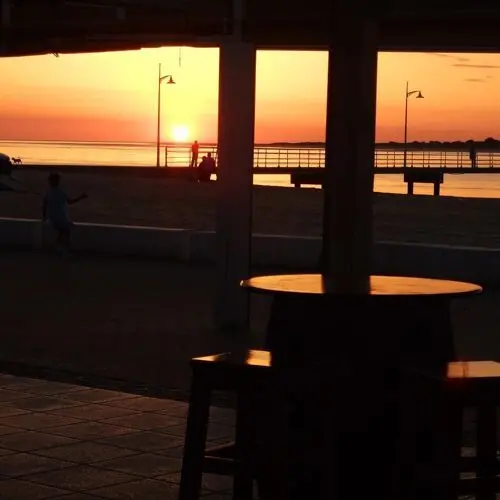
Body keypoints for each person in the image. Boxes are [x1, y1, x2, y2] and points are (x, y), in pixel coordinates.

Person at [42, 172, 87, 255]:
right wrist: (81, 197)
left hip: (53, 218)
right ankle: (63, 249)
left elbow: (44, 206)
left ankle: (61, 248)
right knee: (66, 231)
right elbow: (70, 201)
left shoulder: (48, 193)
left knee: (63, 232)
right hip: (61, 218)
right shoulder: (60, 192)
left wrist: (44, 218)